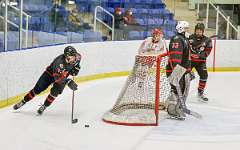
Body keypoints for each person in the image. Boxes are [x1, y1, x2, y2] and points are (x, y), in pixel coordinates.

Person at [13, 46, 81, 115]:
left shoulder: (78, 57)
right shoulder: (59, 63)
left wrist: (76, 69)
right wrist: (67, 81)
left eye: (74, 56)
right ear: (67, 57)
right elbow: (58, 79)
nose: (74, 58)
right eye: (72, 57)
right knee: (37, 89)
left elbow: (73, 71)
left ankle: (44, 106)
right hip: (49, 75)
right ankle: (23, 101)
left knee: (54, 93)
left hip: (63, 77)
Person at [165, 21, 192, 120]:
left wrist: (189, 70)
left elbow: (186, 58)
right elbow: (175, 58)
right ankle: (172, 111)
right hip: (177, 71)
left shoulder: (184, 39)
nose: (188, 31)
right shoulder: (177, 39)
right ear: (182, 29)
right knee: (176, 92)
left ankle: (178, 108)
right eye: (186, 29)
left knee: (183, 92)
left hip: (183, 71)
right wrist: (176, 74)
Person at [189, 23, 212, 101]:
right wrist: (191, 54)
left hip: (200, 62)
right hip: (190, 61)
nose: (198, 32)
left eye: (200, 31)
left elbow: (208, 51)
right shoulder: (190, 38)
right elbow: (186, 49)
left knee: (204, 75)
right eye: (197, 30)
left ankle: (200, 92)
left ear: (203, 31)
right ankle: (180, 92)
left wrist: (200, 55)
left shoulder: (207, 40)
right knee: (185, 77)